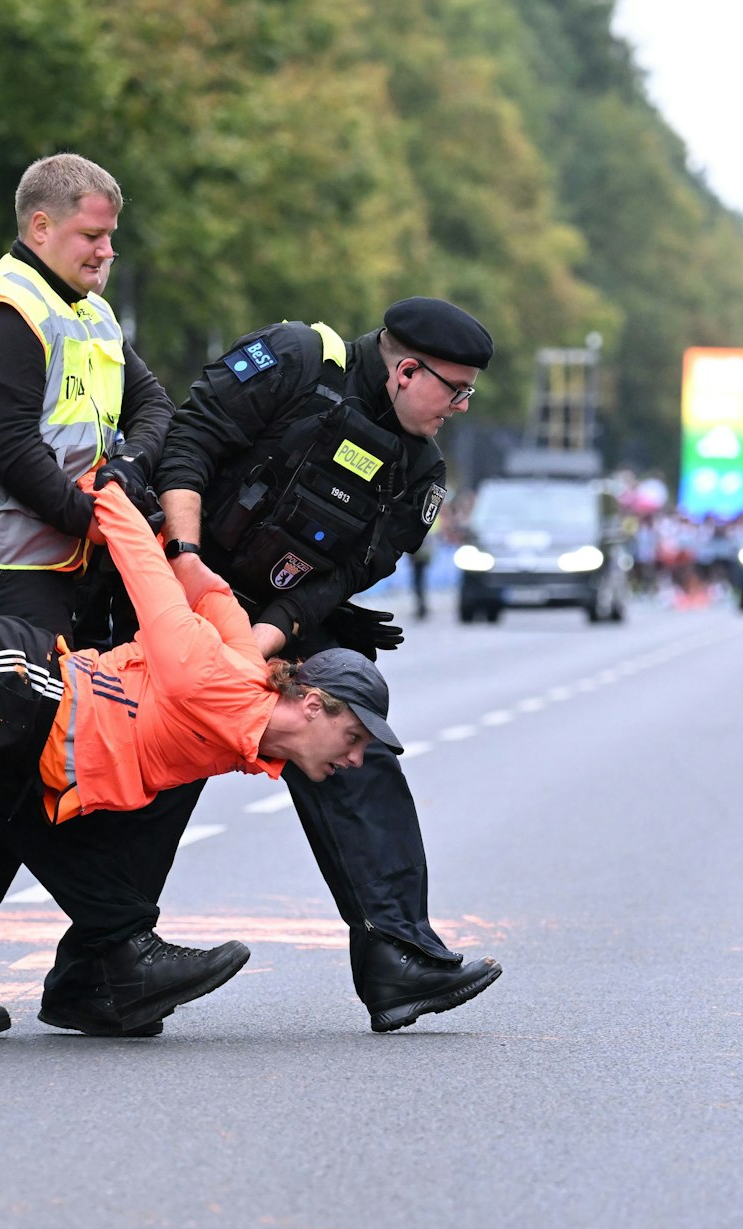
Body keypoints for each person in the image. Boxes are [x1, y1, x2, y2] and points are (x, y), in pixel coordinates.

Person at [0, 153, 247, 1040]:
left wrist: (125, 473)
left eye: (112, 236)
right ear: (41, 227)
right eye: (92, 234)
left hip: (35, 570)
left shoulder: (91, 316)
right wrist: (101, 519)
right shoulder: (5, 313)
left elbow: (155, 409)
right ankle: (112, 946)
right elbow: (8, 449)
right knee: (16, 757)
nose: (106, 251)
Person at [150, 297, 504, 1032]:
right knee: (137, 741)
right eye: (455, 389)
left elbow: (339, 579)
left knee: (347, 711)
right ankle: (93, 955)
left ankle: (398, 954)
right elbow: (188, 443)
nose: (462, 406)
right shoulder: (296, 360)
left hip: (264, 621)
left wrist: (259, 642)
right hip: (160, 580)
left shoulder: (421, 473)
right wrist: (184, 568)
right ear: (407, 369)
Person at [0, 477, 393, 816]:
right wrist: (110, 494)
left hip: (29, 750)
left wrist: (176, 546)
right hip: (30, 692)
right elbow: (153, 588)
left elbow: (210, 597)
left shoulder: (250, 694)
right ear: (313, 705)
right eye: (354, 739)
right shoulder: (216, 681)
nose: (356, 760)